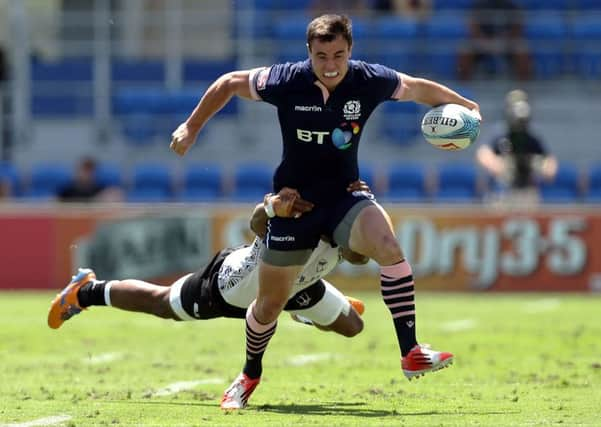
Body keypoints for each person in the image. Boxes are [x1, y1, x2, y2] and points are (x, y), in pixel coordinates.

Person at [170, 14, 480, 409]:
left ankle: (410, 351)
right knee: (268, 305)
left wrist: (463, 103)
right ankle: (250, 373)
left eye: (338, 54)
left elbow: (418, 88)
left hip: (344, 197)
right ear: (308, 54)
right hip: (293, 205)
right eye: (321, 56)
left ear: (351, 51)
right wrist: (192, 127)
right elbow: (229, 83)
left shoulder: (369, 79)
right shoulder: (285, 80)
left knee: (388, 245)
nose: (330, 65)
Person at [48, 186, 368, 339]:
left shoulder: (346, 211)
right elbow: (257, 223)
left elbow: (358, 257)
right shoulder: (300, 200)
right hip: (235, 284)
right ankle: (86, 291)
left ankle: (298, 310)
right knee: (164, 304)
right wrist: (271, 208)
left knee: (353, 327)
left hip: (299, 286)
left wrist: (360, 220)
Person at [476, 89, 557, 206]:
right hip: (502, 191)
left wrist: (537, 165)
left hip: (526, 192)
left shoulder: (531, 137)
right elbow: (482, 153)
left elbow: (550, 165)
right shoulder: (500, 133)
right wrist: (499, 165)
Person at [457, 0, 531, 81]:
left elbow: (518, 27)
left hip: (507, 43)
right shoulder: (480, 5)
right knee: (465, 51)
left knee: (522, 51)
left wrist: (504, 41)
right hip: (482, 42)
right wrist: (485, 42)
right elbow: (473, 26)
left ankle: (524, 87)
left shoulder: (512, 5)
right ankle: (463, 88)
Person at [58, 157, 122, 202]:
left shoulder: (98, 188)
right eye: (84, 170)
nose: (87, 174)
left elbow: (115, 194)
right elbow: (55, 203)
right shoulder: (68, 189)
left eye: (90, 171)